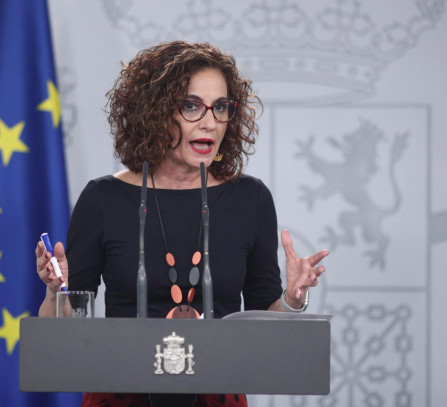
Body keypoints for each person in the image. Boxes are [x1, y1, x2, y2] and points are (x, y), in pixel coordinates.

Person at [36, 41, 329, 407]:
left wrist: (292, 300)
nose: (210, 121)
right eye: (191, 106)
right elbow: (66, 333)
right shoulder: (102, 199)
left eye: (220, 107)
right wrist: (54, 291)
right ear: (155, 113)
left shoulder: (250, 200)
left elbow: (261, 329)